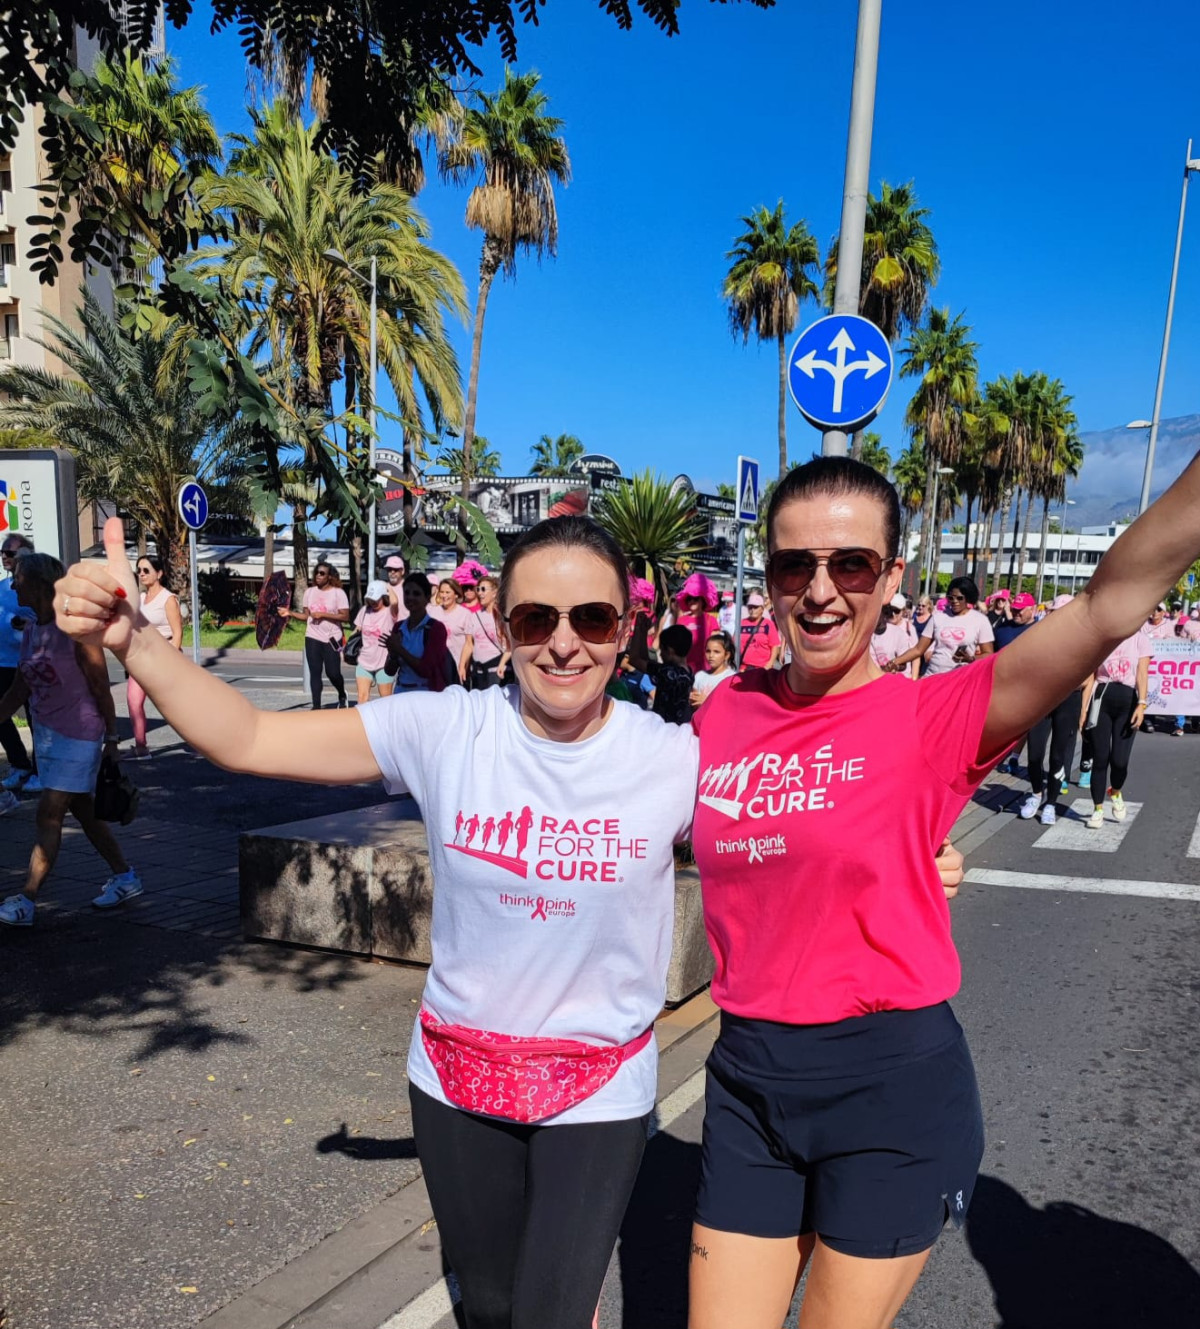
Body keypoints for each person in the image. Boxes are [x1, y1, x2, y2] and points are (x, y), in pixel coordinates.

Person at [56, 512, 967, 1328]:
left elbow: (790, 831)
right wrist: (131, 637)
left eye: (592, 620)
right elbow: (247, 737)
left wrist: (908, 864)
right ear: (500, 623)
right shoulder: (447, 729)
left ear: (626, 631)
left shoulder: (671, 758)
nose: (563, 645)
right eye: (536, 619)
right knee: (488, 1306)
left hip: (598, 1086)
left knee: (548, 1311)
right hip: (454, 1076)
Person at [686, 453, 1200, 1329]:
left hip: (888, 1090)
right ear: (767, 577)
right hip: (745, 1083)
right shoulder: (723, 710)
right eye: (792, 565)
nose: (820, 590)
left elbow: (1107, 603)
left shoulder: (932, 716)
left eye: (850, 564)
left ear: (892, 577)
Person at [0, 552, 140, 927]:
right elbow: (20, 687)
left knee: (49, 812)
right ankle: (125, 876)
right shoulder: (32, 628)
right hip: (48, 736)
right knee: (84, 810)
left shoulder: (76, 631)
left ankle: (27, 899)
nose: (13, 585)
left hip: (81, 733)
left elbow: (100, 686)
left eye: (18, 579)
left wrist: (112, 740)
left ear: (43, 585)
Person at [1080, 628, 1152, 830]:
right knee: (1100, 758)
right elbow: (1091, 676)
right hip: (1101, 699)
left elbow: (1142, 672)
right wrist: (1084, 710)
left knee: (1120, 761)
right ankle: (1098, 809)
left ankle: (1116, 791)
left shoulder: (1140, 639)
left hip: (1127, 701)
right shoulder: (1103, 638)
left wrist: (1141, 703)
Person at [125, 554, 183, 757]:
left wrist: (170, 661)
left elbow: (177, 635)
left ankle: (202, 742)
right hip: (141, 658)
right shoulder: (140, 599)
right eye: (138, 570)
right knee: (133, 701)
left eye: (146, 570)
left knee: (174, 707)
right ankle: (141, 747)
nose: (141, 574)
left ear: (159, 573)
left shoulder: (168, 599)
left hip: (163, 658)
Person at [889, 575, 994, 676]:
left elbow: (989, 654)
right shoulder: (938, 617)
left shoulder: (980, 620)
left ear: (968, 598)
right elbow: (918, 649)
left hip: (960, 679)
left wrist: (970, 659)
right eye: (950, 598)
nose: (954, 601)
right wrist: (894, 662)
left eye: (959, 598)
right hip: (933, 675)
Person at [281, 561, 350, 710]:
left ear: (329, 576)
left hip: (332, 637)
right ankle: (316, 706)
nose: (318, 576)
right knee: (315, 672)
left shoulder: (338, 593)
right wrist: (290, 613)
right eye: (316, 573)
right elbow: (307, 616)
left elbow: (345, 617)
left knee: (333, 673)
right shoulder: (309, 592)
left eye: (322, 573)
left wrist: (323, 615)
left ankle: (341, 693)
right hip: (312, 635)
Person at [0, 533, 39, 792]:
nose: (4, 557)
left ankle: (40, 771)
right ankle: (19, 764)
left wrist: (28, 625)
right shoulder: (2, 587)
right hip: (3, 662)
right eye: (2, 553)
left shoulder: (38, 587)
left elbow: (51, 620)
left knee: (37, 719)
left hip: (31, 662)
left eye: (10, 553)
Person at [386, 573, 451, 692]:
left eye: (416, 594)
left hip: (425, 693)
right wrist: (393, 654)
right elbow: (389, 671)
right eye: (407, 593)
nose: (410, 597)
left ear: (427, 598)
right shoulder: (399, 627)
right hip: (401, 691)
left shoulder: (436, 628)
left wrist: (400, 650)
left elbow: (426, 670)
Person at [460, 575, 509, 690]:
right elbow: (469, 644)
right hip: (477, 670)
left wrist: (502, 663)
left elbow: (510, 645)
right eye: (478, 589)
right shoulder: (473, 616)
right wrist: (462, 665)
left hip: (496, 669)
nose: (480, 593)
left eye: (483, 589)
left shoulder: (502, 616)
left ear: (494, 592)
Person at [354, 580, 399, 705]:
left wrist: (387, 586)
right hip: (364, 660)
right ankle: (364, 723)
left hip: (383, 663)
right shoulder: (364, 611)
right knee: (362, 698)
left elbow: (395, 602)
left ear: (383, 598)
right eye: (370, 600)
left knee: (386, 699)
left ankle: (387, 724)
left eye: (376, 600)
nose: (372, 603)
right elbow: (357, 630)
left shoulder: (389, 612)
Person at [673, 575, 721, 675]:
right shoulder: (681, 620)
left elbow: (717, 647)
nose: (691, 601)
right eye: (689, 599)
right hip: (684, 668)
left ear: (702, 600)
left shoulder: (711, 620)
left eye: (695, 598)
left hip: (705, 670)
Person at [429, 577, 474, 681]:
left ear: (456, 594)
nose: (444, 596)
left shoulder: (465, 614)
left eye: (447, 592)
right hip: (435, 666)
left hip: (456, 665)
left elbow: (469, 644)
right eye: (442, 592)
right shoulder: (432, 612)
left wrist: (462, 666)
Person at [650, 624, 694, 724]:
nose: (660, 654)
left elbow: (636, 660)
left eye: (661, 650)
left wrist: (640, 629)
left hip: (664, 729)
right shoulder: (689, 672)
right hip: (681, 727)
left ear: (670, 651)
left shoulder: (668, 673)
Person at [869, 594, 917, 678]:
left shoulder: (901, 633)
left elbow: (909, 659)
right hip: (878, 679)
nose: (893, 614)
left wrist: (895, 666)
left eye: (896, 610)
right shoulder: (869, 634)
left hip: (899, 680)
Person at [691, 632, 737, 708]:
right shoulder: (699, 676)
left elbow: (730, 706)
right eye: (708, 651)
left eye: (716, 652)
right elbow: (695, 705)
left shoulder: (731, 678)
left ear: (727, 655)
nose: (711, 656)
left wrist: (706, 702)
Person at [738, 593, 782, 672]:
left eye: (755, 607)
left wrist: (769, 664)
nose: (752, 610)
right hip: (743, 668)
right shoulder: (741, 623)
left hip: (762, 668)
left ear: (762, 609)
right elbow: (734, 643)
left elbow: (774, 646)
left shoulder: (768, 624)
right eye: (750, 607)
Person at [381, 554, 411, 623]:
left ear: (402, 571)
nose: (392, 572)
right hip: (386, 630)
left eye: (396, 569)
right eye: (389, 569)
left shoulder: (409, 589)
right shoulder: (382, 588)